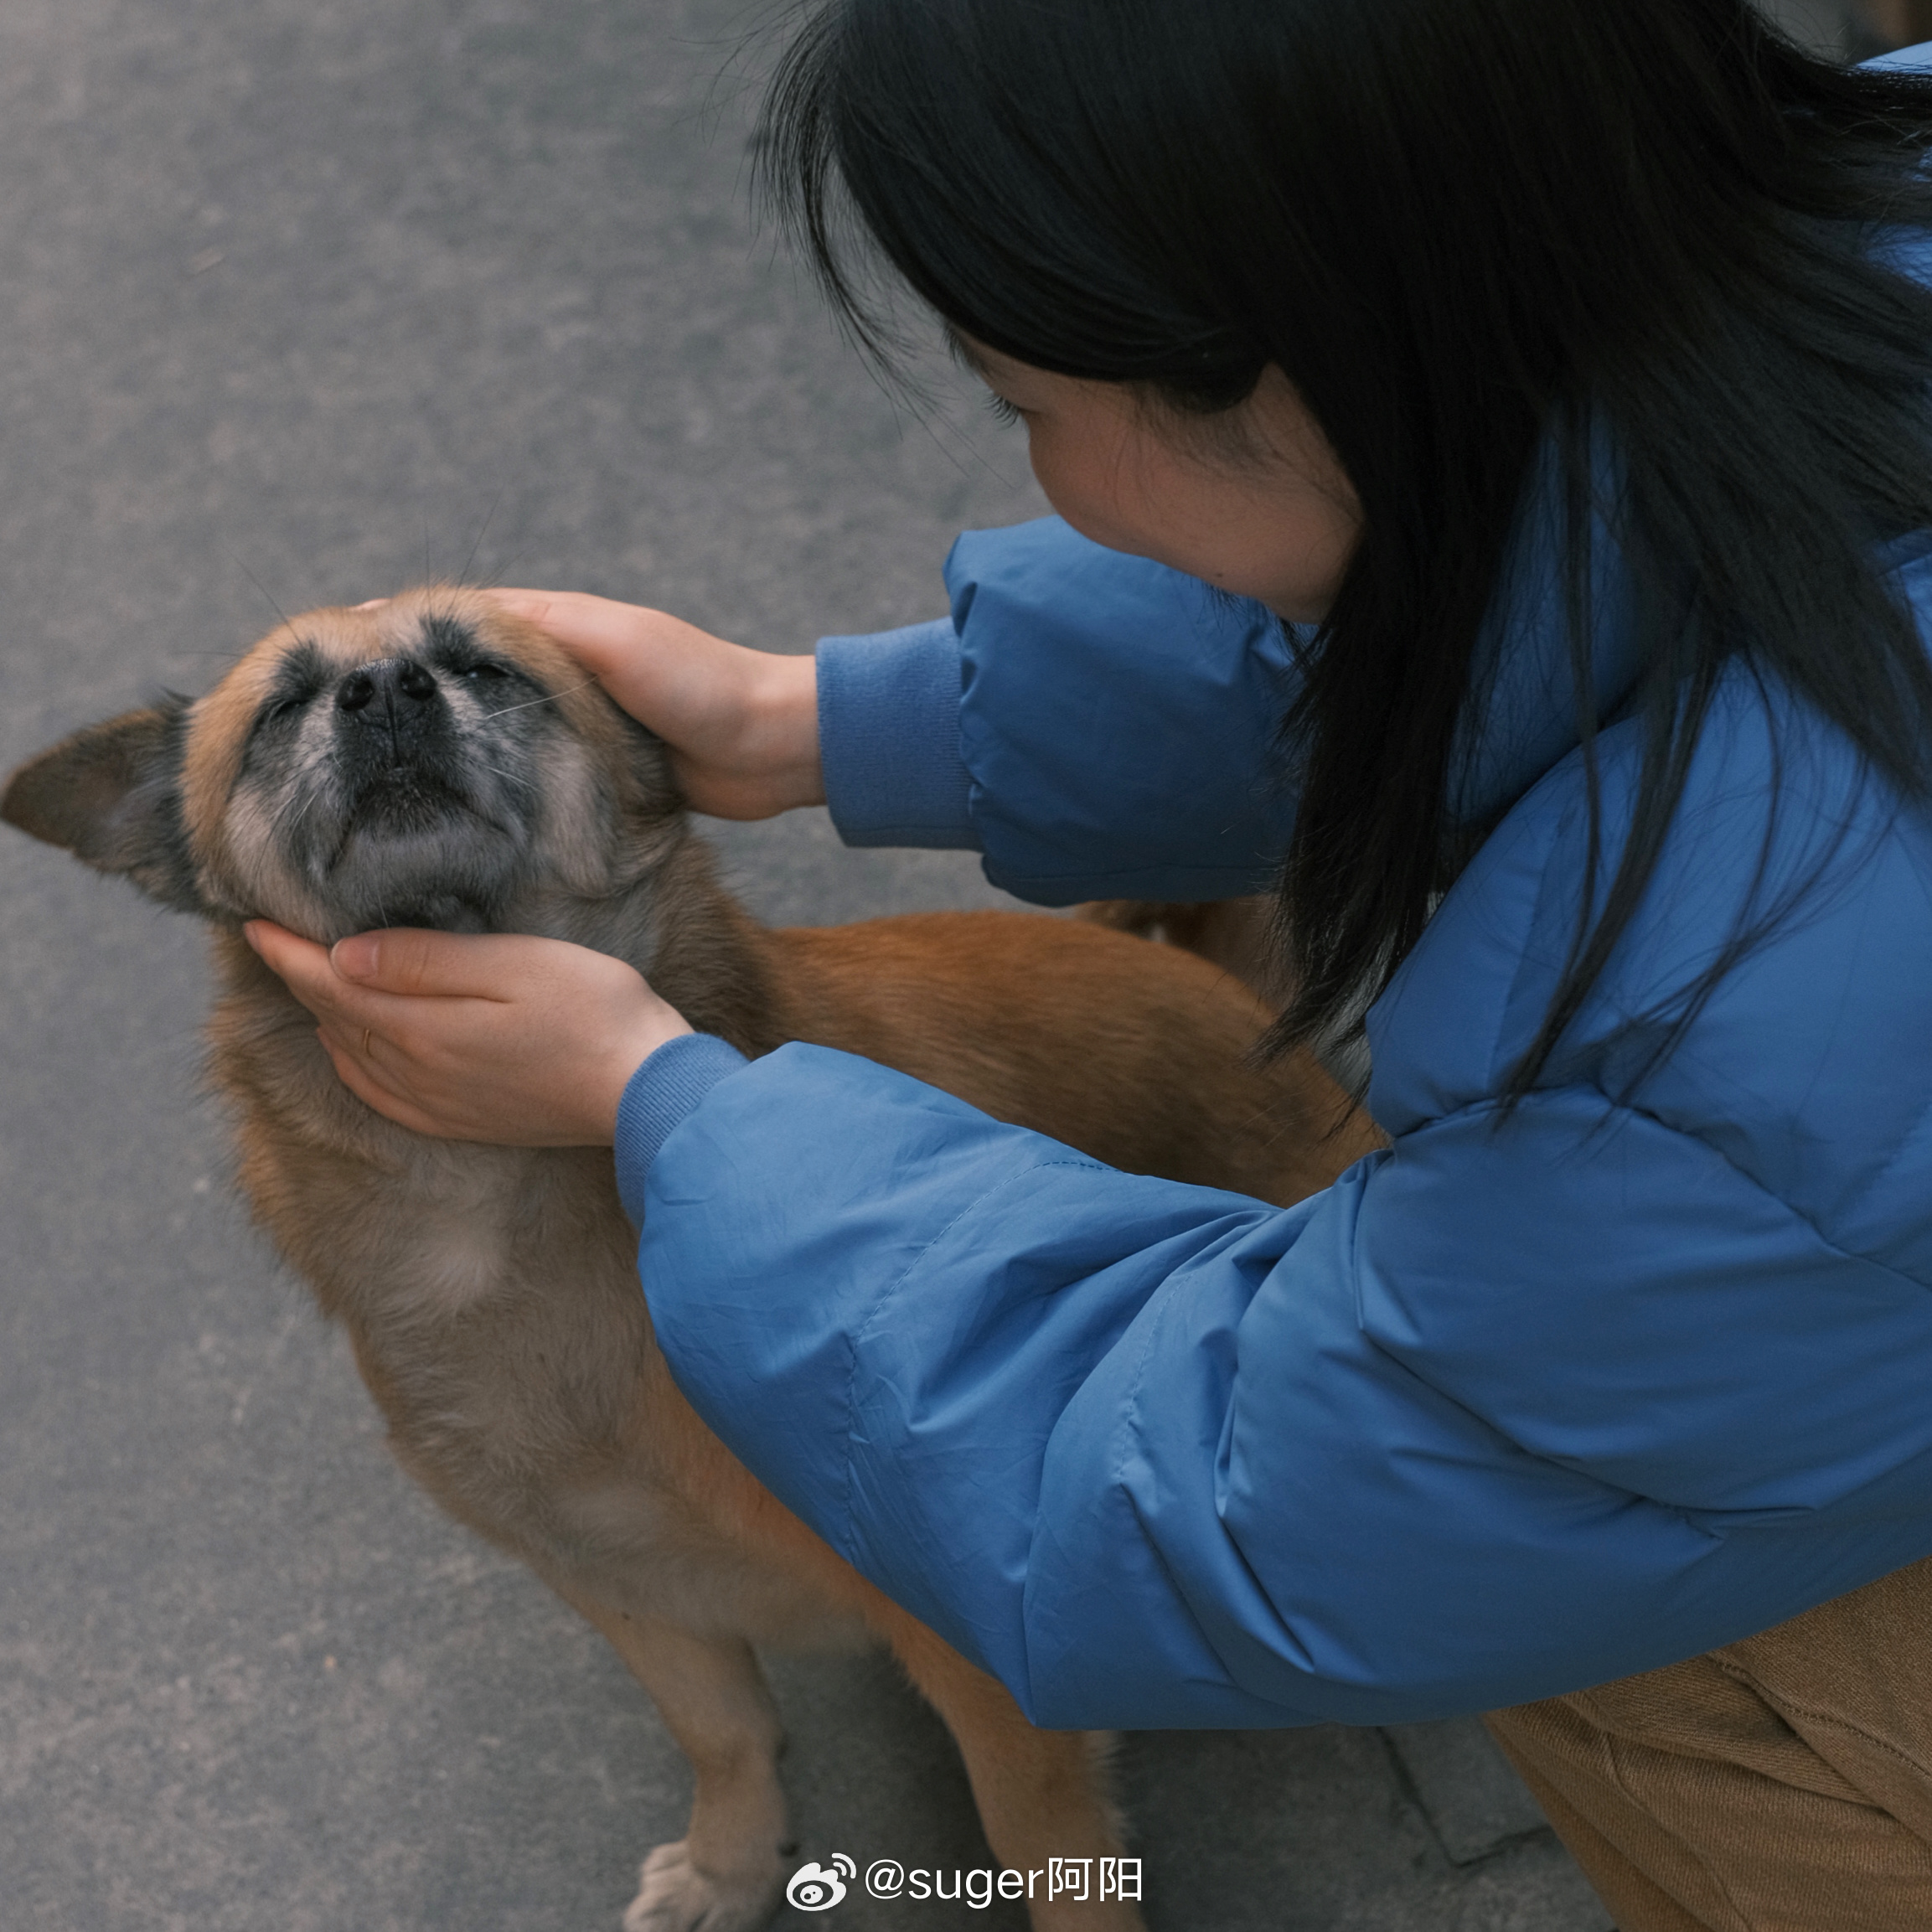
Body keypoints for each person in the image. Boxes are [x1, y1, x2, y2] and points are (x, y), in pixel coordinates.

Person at [248, 3, 1932, 1924]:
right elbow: (1516, 566)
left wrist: (668, 1110)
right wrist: (841, 718)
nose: (1036, 474)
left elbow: (1261, 1502)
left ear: (1300, 373)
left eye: (1023, 400)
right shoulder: (1809, 221)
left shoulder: (1729, 1023)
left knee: (1628, 1661)